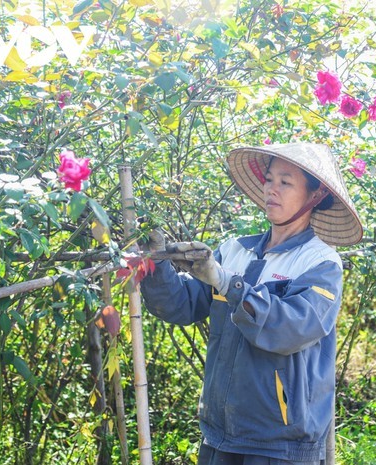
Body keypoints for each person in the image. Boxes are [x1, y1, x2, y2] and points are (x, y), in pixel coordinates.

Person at [140, 143, 363, 465]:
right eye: (269, 179)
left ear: (314, 196)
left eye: (285, 183)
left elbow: (292, 328)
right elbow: (180, 305)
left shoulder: (320, 263)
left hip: (280, 440)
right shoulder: (235, 250)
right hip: (222, 429)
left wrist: (228, 283)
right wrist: (158, 260)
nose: (272, 189)